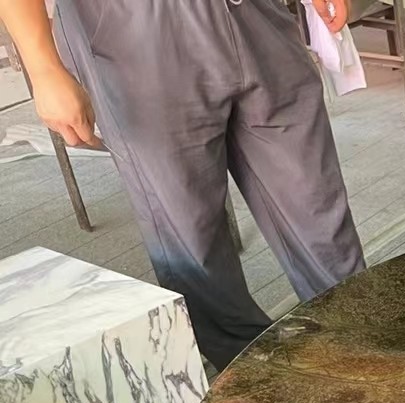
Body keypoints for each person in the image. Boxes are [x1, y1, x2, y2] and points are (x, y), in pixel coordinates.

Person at [0, 0, 367, 370]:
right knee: (194, 243)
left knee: (323, 220)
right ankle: (258, 378)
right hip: (134, 37)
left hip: (257, 17)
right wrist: (43, 67)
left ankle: (367, 351)